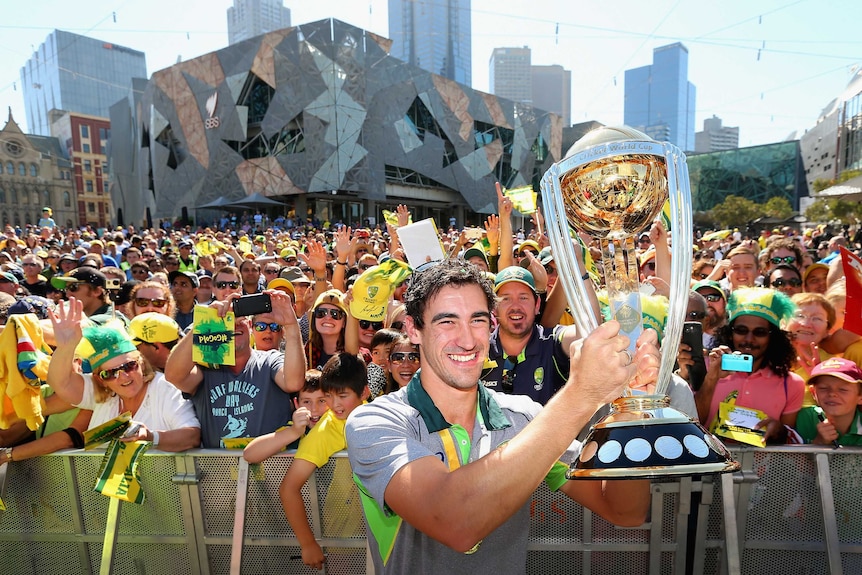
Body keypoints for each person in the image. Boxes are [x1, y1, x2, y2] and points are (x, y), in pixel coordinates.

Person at [345, 259, 658, 573]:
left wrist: (630, 407)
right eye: (447, 322)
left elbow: (624, 512)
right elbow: (456, 523)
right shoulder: (376, 423)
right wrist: (582, 395)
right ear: (413, 329)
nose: (468, 340)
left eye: (477, 320)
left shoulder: (524, 417)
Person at [46, 300, 201, 451]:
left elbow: (191, 436)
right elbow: (60, 383)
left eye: (129, 366)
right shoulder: (105, 394)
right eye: (110, 373)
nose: (123, 377)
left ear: (141, 363)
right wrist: (66, 347)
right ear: (101, 379)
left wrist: (151, 437)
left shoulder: (165, 388)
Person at [164, 290, 305, 448]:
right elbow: (174, 376)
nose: (235, 325)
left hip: (268, 468)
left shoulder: (269, 360)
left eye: (241, 320)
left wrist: (292, 326)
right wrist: (204, 325)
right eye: (228, 320)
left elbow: (294, 382)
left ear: (250, 326)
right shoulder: (207, 366)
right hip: (219, 470)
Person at [279, 353, 369, 570]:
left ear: (365, 392)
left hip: (384, 532)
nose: (335, 405)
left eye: (343, 395)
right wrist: (308, 543)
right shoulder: (325, 430)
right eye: (329, 396)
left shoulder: (379, 414)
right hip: (343, 534)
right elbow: (288, 489)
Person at [694, 287, 805, 444]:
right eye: (741, 330)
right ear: (729, 333)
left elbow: (789, 445)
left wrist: (780, 430)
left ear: (773, 337)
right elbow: (693, 422)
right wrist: (712, 377)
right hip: (712, 465)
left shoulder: (792, 384)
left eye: (759, 332)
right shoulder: (705, 367)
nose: (749, 339)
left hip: (762, 468)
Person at [480, 267, 573, 405]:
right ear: (494, 307)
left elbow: (587, 335)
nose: (515, 306)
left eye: (523, 297)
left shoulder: (552, 342)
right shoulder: (479, 352)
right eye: (506, 299)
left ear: (537, 305)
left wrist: (576, 265)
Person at [242, 369, 328, 462]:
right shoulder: (294, 428)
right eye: (307, 401)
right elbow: (249, 454)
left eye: (322, 401)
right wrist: (294, 432)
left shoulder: (339, 426)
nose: (314, 408)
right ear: (296, 404)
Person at [794, 357, 862, 446]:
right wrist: (819, 442)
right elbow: (789, 459)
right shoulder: (804, 418)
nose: (832, 394)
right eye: (823, 388)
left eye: (843, 389)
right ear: (813, 393)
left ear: (860, 397)